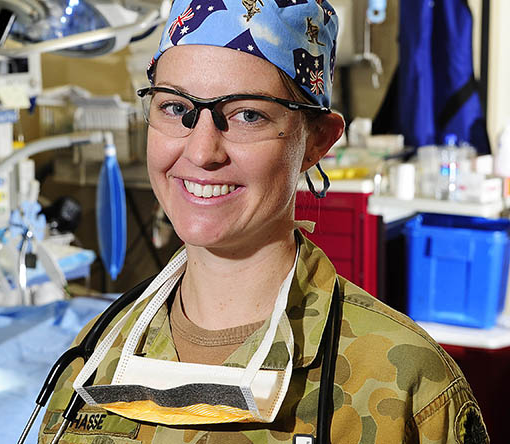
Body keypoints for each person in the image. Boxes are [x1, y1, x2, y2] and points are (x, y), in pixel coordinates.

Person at [37, 1, 489, 443]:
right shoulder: (97, 353)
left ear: (316, 141)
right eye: (175, 109)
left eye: (248, 115)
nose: (201, 152)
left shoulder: (404, 382)